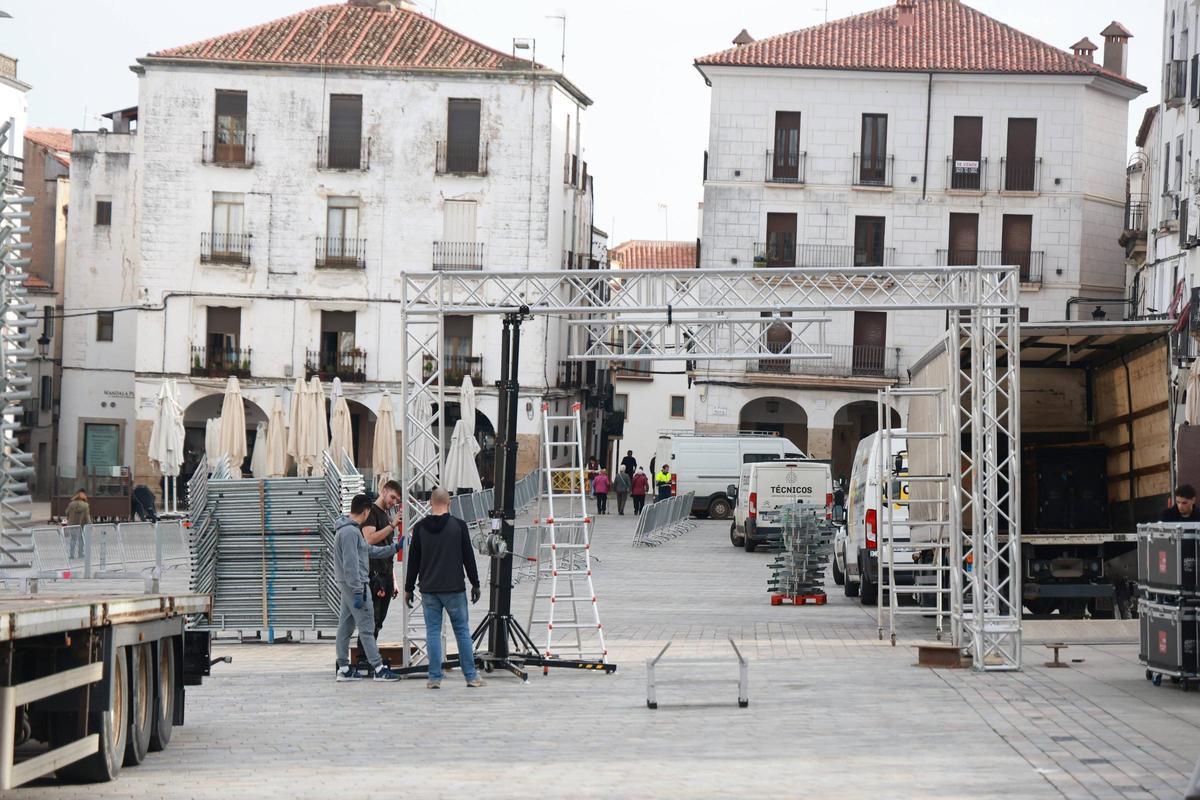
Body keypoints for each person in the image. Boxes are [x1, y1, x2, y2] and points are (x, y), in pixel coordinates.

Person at [404, 488, 486, 689]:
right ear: (449, 503)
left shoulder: (420, 528)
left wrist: (408, 588)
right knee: (462, 632)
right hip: (454, 588)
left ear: (430, 503)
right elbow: (469, 557)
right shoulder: (458, 526)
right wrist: (475, 583)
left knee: (432, 632)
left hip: (429, 589)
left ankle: (434, 677)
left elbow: (413, 561)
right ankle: (471, 676)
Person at [334, 494, 402, 682]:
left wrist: (394, 548)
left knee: (346, 626)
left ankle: (344, 668)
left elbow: (368, 550)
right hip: (357, 586)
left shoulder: (350, 531)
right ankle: (379, 668)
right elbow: (350, 565)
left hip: (349, 585)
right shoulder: (349, 533)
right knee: (367, 626)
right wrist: (358, 590)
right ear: (365, 510)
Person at [362, 480, 402, 639]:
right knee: (372, 621)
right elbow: (369, 539)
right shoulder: (370, 512)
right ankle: (365, 659)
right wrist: (391, 526)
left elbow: (387, 548)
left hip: (385, 573)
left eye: (397, 500)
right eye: (392, 497)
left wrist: (393, 579)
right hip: (373, 575)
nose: (393, 502)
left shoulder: (385, 515)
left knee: (378, 623)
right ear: (384, 491)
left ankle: (370, 658)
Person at [64, 490, 90, 559]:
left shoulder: (71, 504)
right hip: (81, 525)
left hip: (72, 524)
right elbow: (87, 517)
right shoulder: (86, 505)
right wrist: (90, 525)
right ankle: (80, 553)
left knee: (73, 539)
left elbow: (66, 512)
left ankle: (71, 554)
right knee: (81, 539)